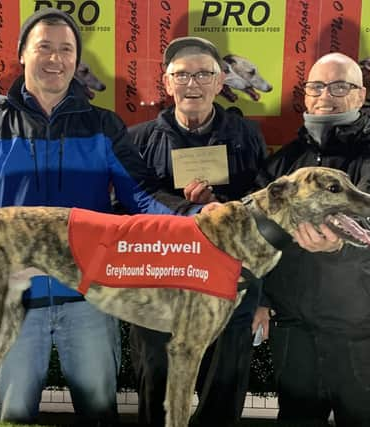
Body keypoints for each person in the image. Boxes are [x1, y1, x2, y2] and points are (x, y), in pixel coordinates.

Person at [0, 9, 201, 426]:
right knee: (14, 416)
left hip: (89, 301)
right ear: (22, 54)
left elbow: (142, 197)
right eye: (44, 47)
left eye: (66, 50)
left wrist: (196, 216)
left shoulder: (102, 125)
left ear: (77, 61)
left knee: (100, 413)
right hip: (13, 308)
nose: (55, 59)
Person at [252, 52, 370, 427]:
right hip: (296, 333)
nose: (327, 95)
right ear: (306, 96)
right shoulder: (284, 162)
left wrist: (338, 244)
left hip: (362, 334)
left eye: (341, 86)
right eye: (318, 86)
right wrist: (259, 297)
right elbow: (257, 232)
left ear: (360, 96)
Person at [128, 36, 267, 427]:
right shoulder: (137, 140)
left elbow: (265, 215)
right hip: (159, 285)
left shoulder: (247, 136)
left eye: (203, 74)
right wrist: (190, 209)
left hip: (231, 285)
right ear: (167, 82)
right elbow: (128, 204)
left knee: (223, 386)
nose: (193, 83)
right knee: (157, 383)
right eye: (182, 74)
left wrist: (219, 203)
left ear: (220, 82)